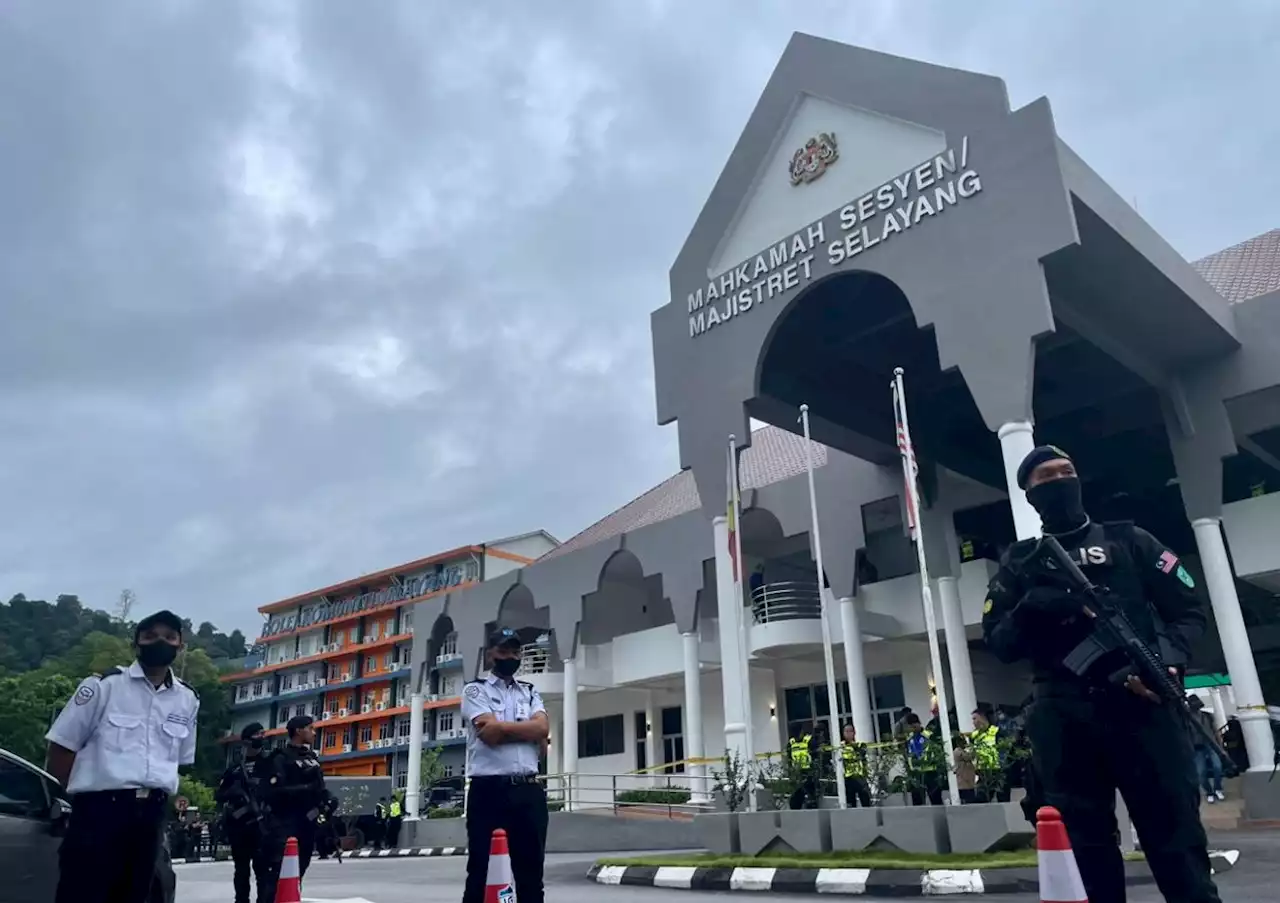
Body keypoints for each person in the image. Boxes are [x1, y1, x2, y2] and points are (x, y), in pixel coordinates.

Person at [982, 444, 1221, 903]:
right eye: (1046, 476)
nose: (1059, 480)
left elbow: (1189, 610)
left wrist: (1163, 660)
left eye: (1066, 471)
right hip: (1065, 717)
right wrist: (1033, 608)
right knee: (1088, 855)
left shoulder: (1130, 540)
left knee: (1179, 849)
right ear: (1029, 495)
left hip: (1143, 708)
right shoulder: (1020, 563)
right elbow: (1000, 642)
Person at [44, 610, 200, 903]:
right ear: (136, 644)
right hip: (99, 811)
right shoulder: (104, 686)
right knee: (82, 893)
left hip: (151, 814)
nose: (160, 642)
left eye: (169, 637)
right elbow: (62, 747)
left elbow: (178, 758)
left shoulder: (187, 700)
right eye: (150, 636)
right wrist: (80, 800)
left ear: (180, 647)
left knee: (135, 895)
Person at [461, 628, 551, 903]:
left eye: (515, 652)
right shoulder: (475, 689)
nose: (510, 657)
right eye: (503, 651)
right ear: (490, 654)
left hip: (528, 791)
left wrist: (504, 727)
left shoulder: (530, 691)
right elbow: (489, 735)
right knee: (479, 871)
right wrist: (528, 730)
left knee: (531, 877)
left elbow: (543, 727)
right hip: (489, 791)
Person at [260, 715, 326, 897]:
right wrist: (305, 789)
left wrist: (327, 800)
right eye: (310, 728)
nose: (314, 733)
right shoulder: (280, 758)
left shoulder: (311, 757)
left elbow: (319, 787)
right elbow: (273, 791)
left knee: (298, 873)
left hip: (307, 822)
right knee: (279, 873)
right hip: (286, 823)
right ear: (298, 731)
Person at [215, 723, 273, 903]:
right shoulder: (234, 768)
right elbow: (219, 794)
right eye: (257, 734)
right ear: (247, 740)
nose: (261, 737)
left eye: (262, 734)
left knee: (263, 870)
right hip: (239, 828)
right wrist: (234, 792)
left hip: (262, 825)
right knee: (241, 870)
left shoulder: (269, 764)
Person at [1187, 697, 1226, 803]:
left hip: (1211, 745)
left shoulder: (1207, 716)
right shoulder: (1187, 718)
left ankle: (1217, 788)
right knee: (1201, 773)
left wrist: (1221, 747)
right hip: (1197, 747)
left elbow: (1216, 731)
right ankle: (1209, 792)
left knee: (1218, 767)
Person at [903, 714, 943, 805]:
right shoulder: (909, 738)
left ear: (918, 723)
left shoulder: (928, 735)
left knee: (935, 799)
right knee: (917, 801)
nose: (913, 729)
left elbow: (937, 751)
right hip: (916, 774)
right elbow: (908, 754)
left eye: (914, 726)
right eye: (910, 727)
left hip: (930, 772)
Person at [837, 723, 871, 807]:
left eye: (850, 731)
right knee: (851, 803)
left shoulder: (859, 745)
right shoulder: (840, 746)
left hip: (859, 776)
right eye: (846, 731)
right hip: (847, 778)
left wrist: (854, 746)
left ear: (854, 732)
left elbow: (863, 753)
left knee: (865, 799)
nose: (848, 733)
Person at [787, 722, 817, 809]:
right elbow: (789, 759)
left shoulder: (809, 741)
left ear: (801, 731)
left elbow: (816, 756)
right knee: (795, 801)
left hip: (809, 773)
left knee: (810, 799)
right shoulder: (791, 743)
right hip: (797, 774)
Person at [952, 735, 978, 804]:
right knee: (967, 798)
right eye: (963, 742)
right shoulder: (957, 751)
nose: (965, 743)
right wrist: (973, 749)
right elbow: (968, 757)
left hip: (968, 780)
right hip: (963, 781)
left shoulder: (963, 751)